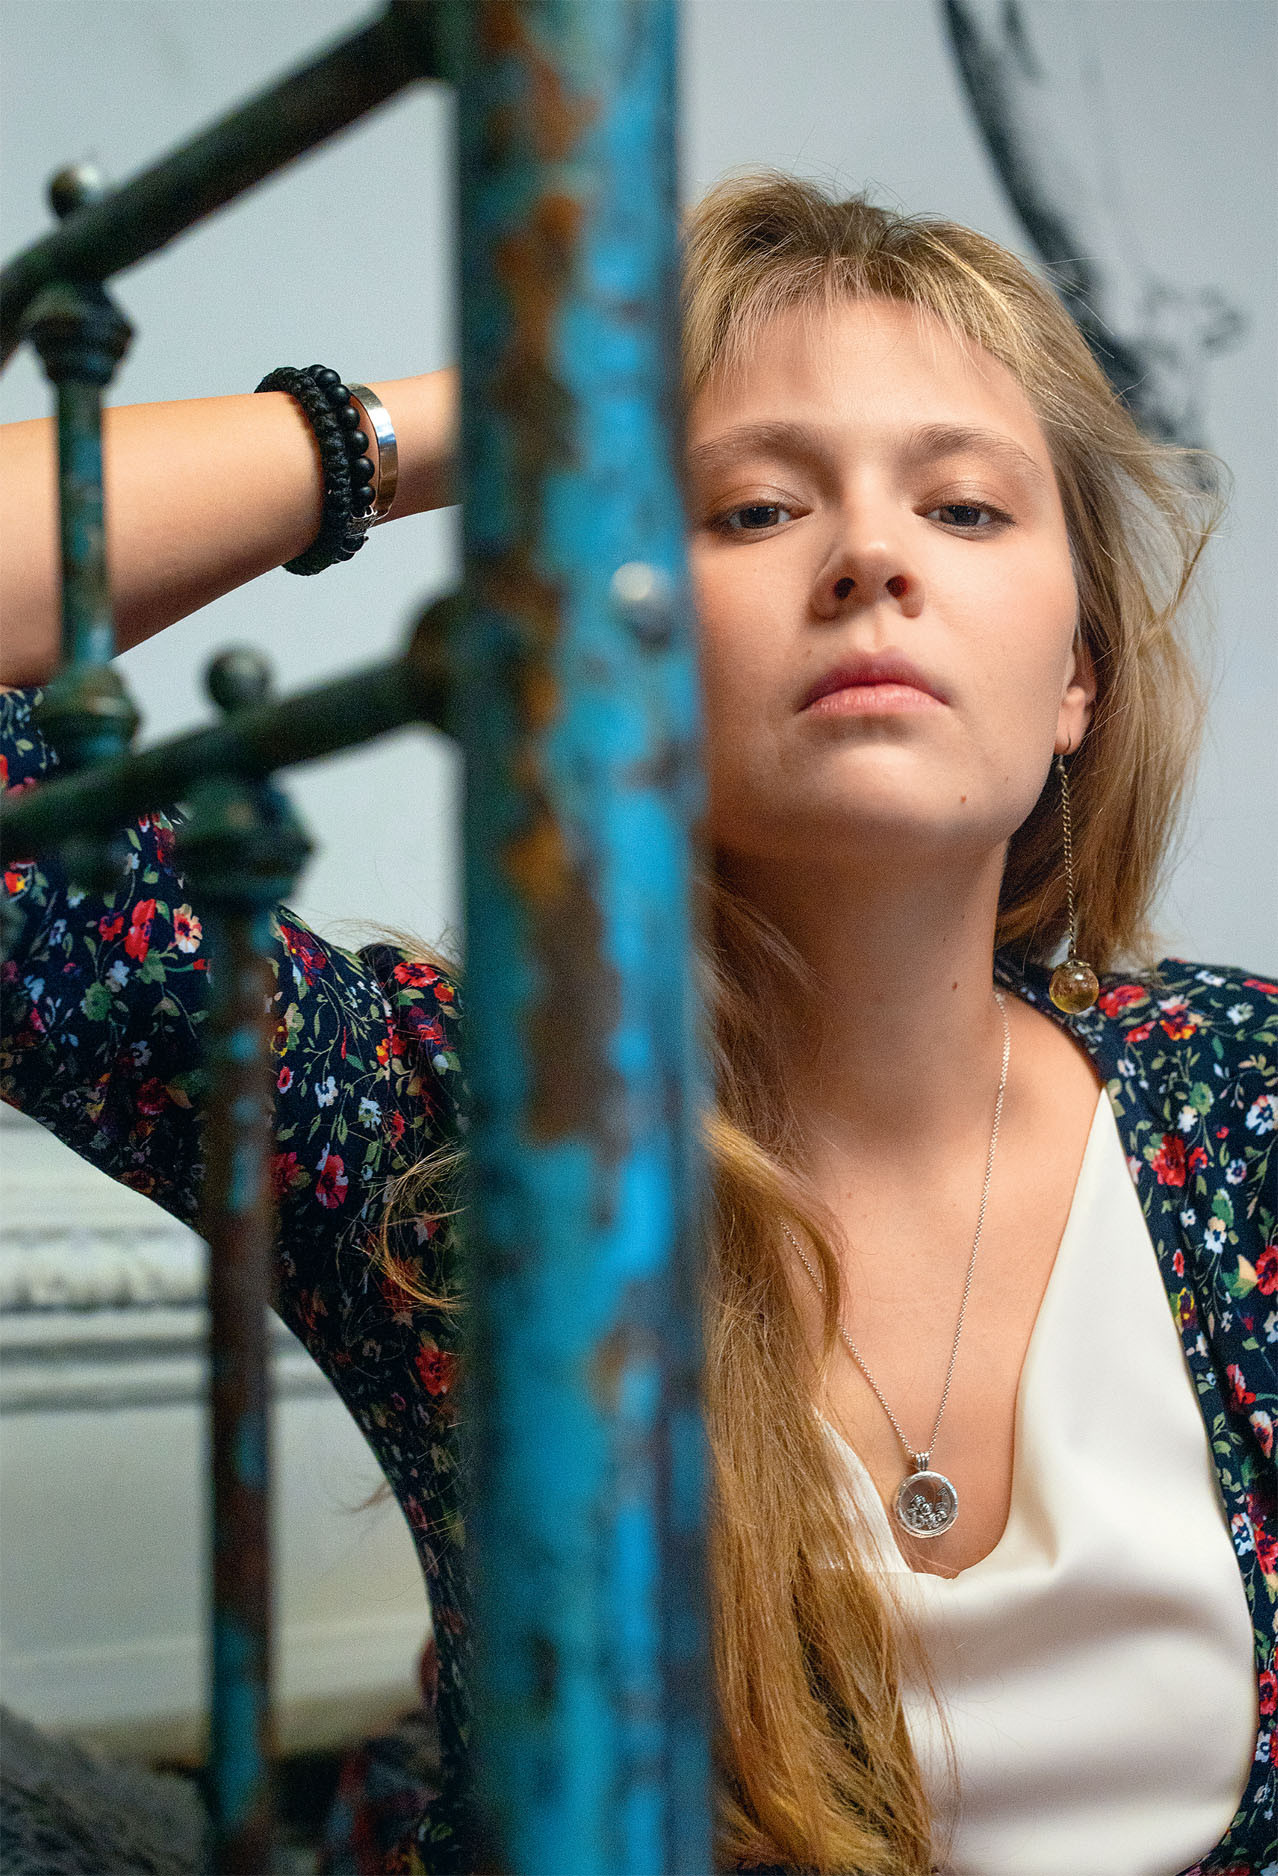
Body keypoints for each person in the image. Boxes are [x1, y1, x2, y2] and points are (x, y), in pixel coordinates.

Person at [1, 172, 1273, 1876]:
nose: (872, 556)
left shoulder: (1238, 1097)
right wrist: (492, 416)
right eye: (752, 507)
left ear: (1074, 680)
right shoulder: (455, 1124)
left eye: (965, 507)